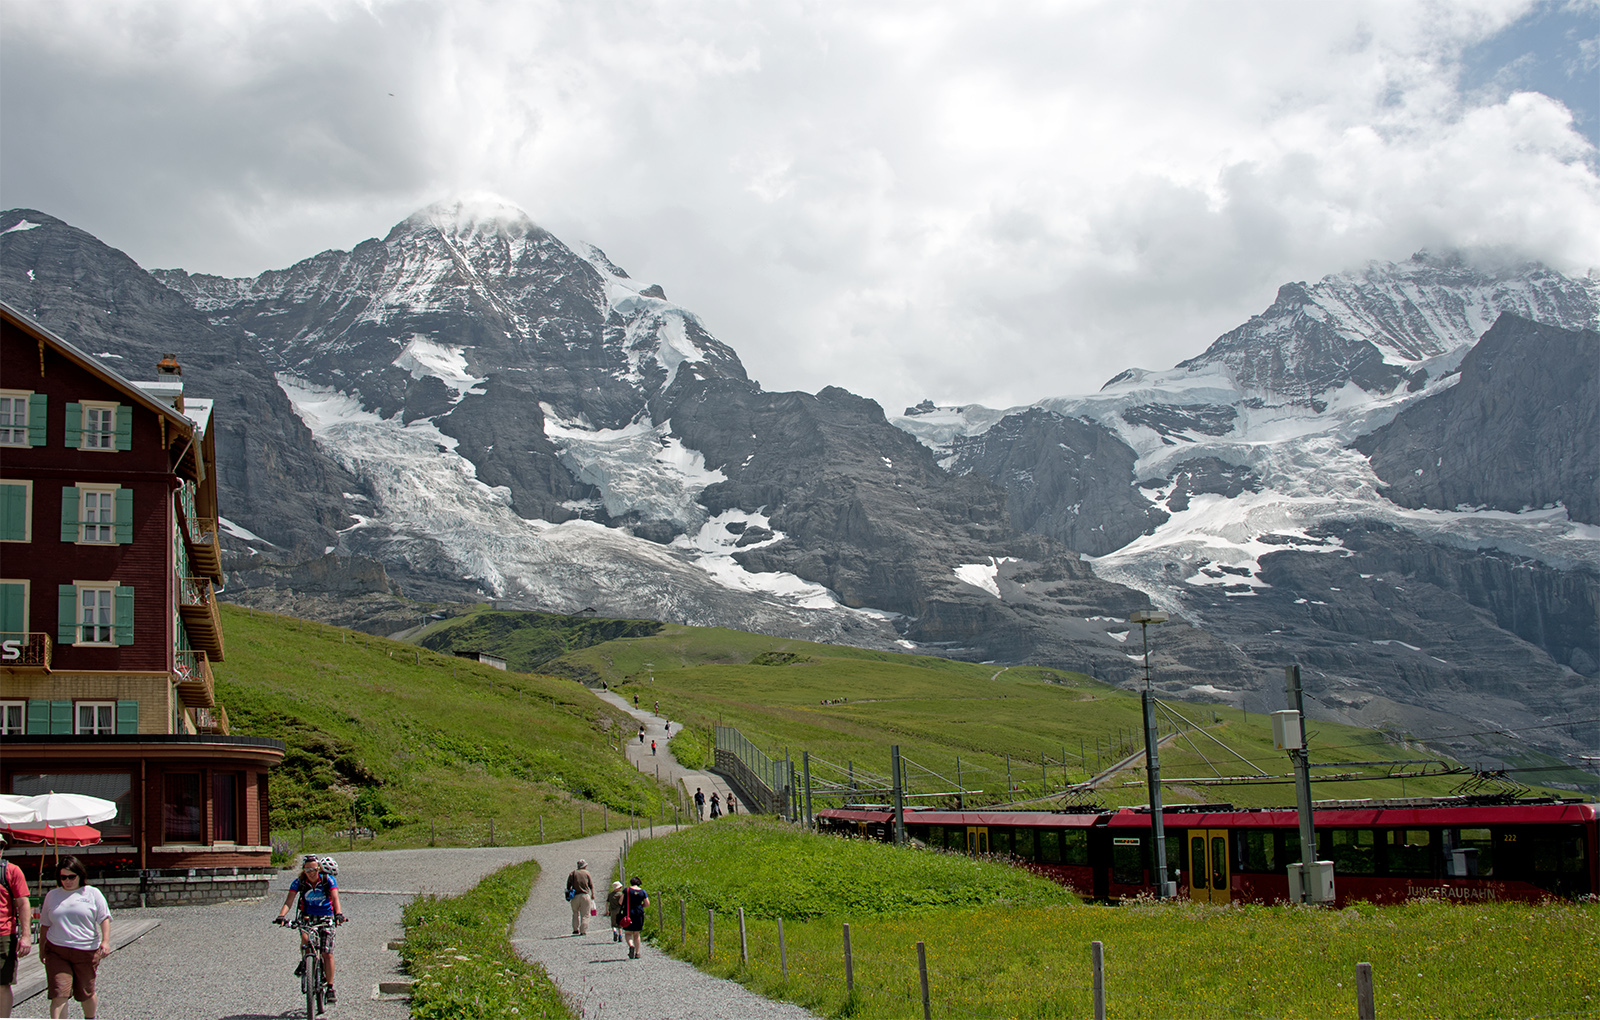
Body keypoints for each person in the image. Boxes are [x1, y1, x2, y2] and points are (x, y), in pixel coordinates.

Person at [39, 856, 110, 1020]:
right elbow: (45, 924)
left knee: (86, 992)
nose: (67, 881)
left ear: (80, 875)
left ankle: (90, 1017)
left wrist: (105, 941)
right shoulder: (52, 895)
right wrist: (41, 948)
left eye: (71, 877)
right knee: (59, 992)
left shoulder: (92, 893)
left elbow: (104, 918)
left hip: (85, 951)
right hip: (57, 950)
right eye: (63, 877)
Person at [274, 854, 345, 1004]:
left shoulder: (327, 880)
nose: (311, 873)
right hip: (307, 916)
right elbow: (289, 901)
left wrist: (338, 914)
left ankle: (330, 988)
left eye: (313, 869)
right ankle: (306, 961)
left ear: (318, 868)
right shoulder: (299, 882)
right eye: (307, 870)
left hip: (326, 916)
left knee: (327, 953)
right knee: (305, 940)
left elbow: (335, 898)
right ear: (303, 870)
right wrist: (281, 916)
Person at [0, 835, 32, 1019]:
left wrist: (26, 935)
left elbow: (23, 903)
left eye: (0, 846)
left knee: (3, 983)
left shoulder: (11, 871)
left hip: (3, 934)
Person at [620, 876, 650, 959]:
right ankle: (637, 953)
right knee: (636, 934)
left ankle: (631, 945)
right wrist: (641, 905)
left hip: (628, 913)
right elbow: (647, 904)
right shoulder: (642, 892)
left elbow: (620, 902)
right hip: (639, 913)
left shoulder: (626, 890)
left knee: (628, 933)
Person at [565, 860, 594, 935]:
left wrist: (568, 895)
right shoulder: (587, 873)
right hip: (585, 896)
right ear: (584, 866)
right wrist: (592, 894)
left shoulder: (573, 873)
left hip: (575, 896)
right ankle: (583, 930)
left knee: (575, 913)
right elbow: (590, 885)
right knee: (585, 914)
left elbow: (568, 886)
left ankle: (575, 929)